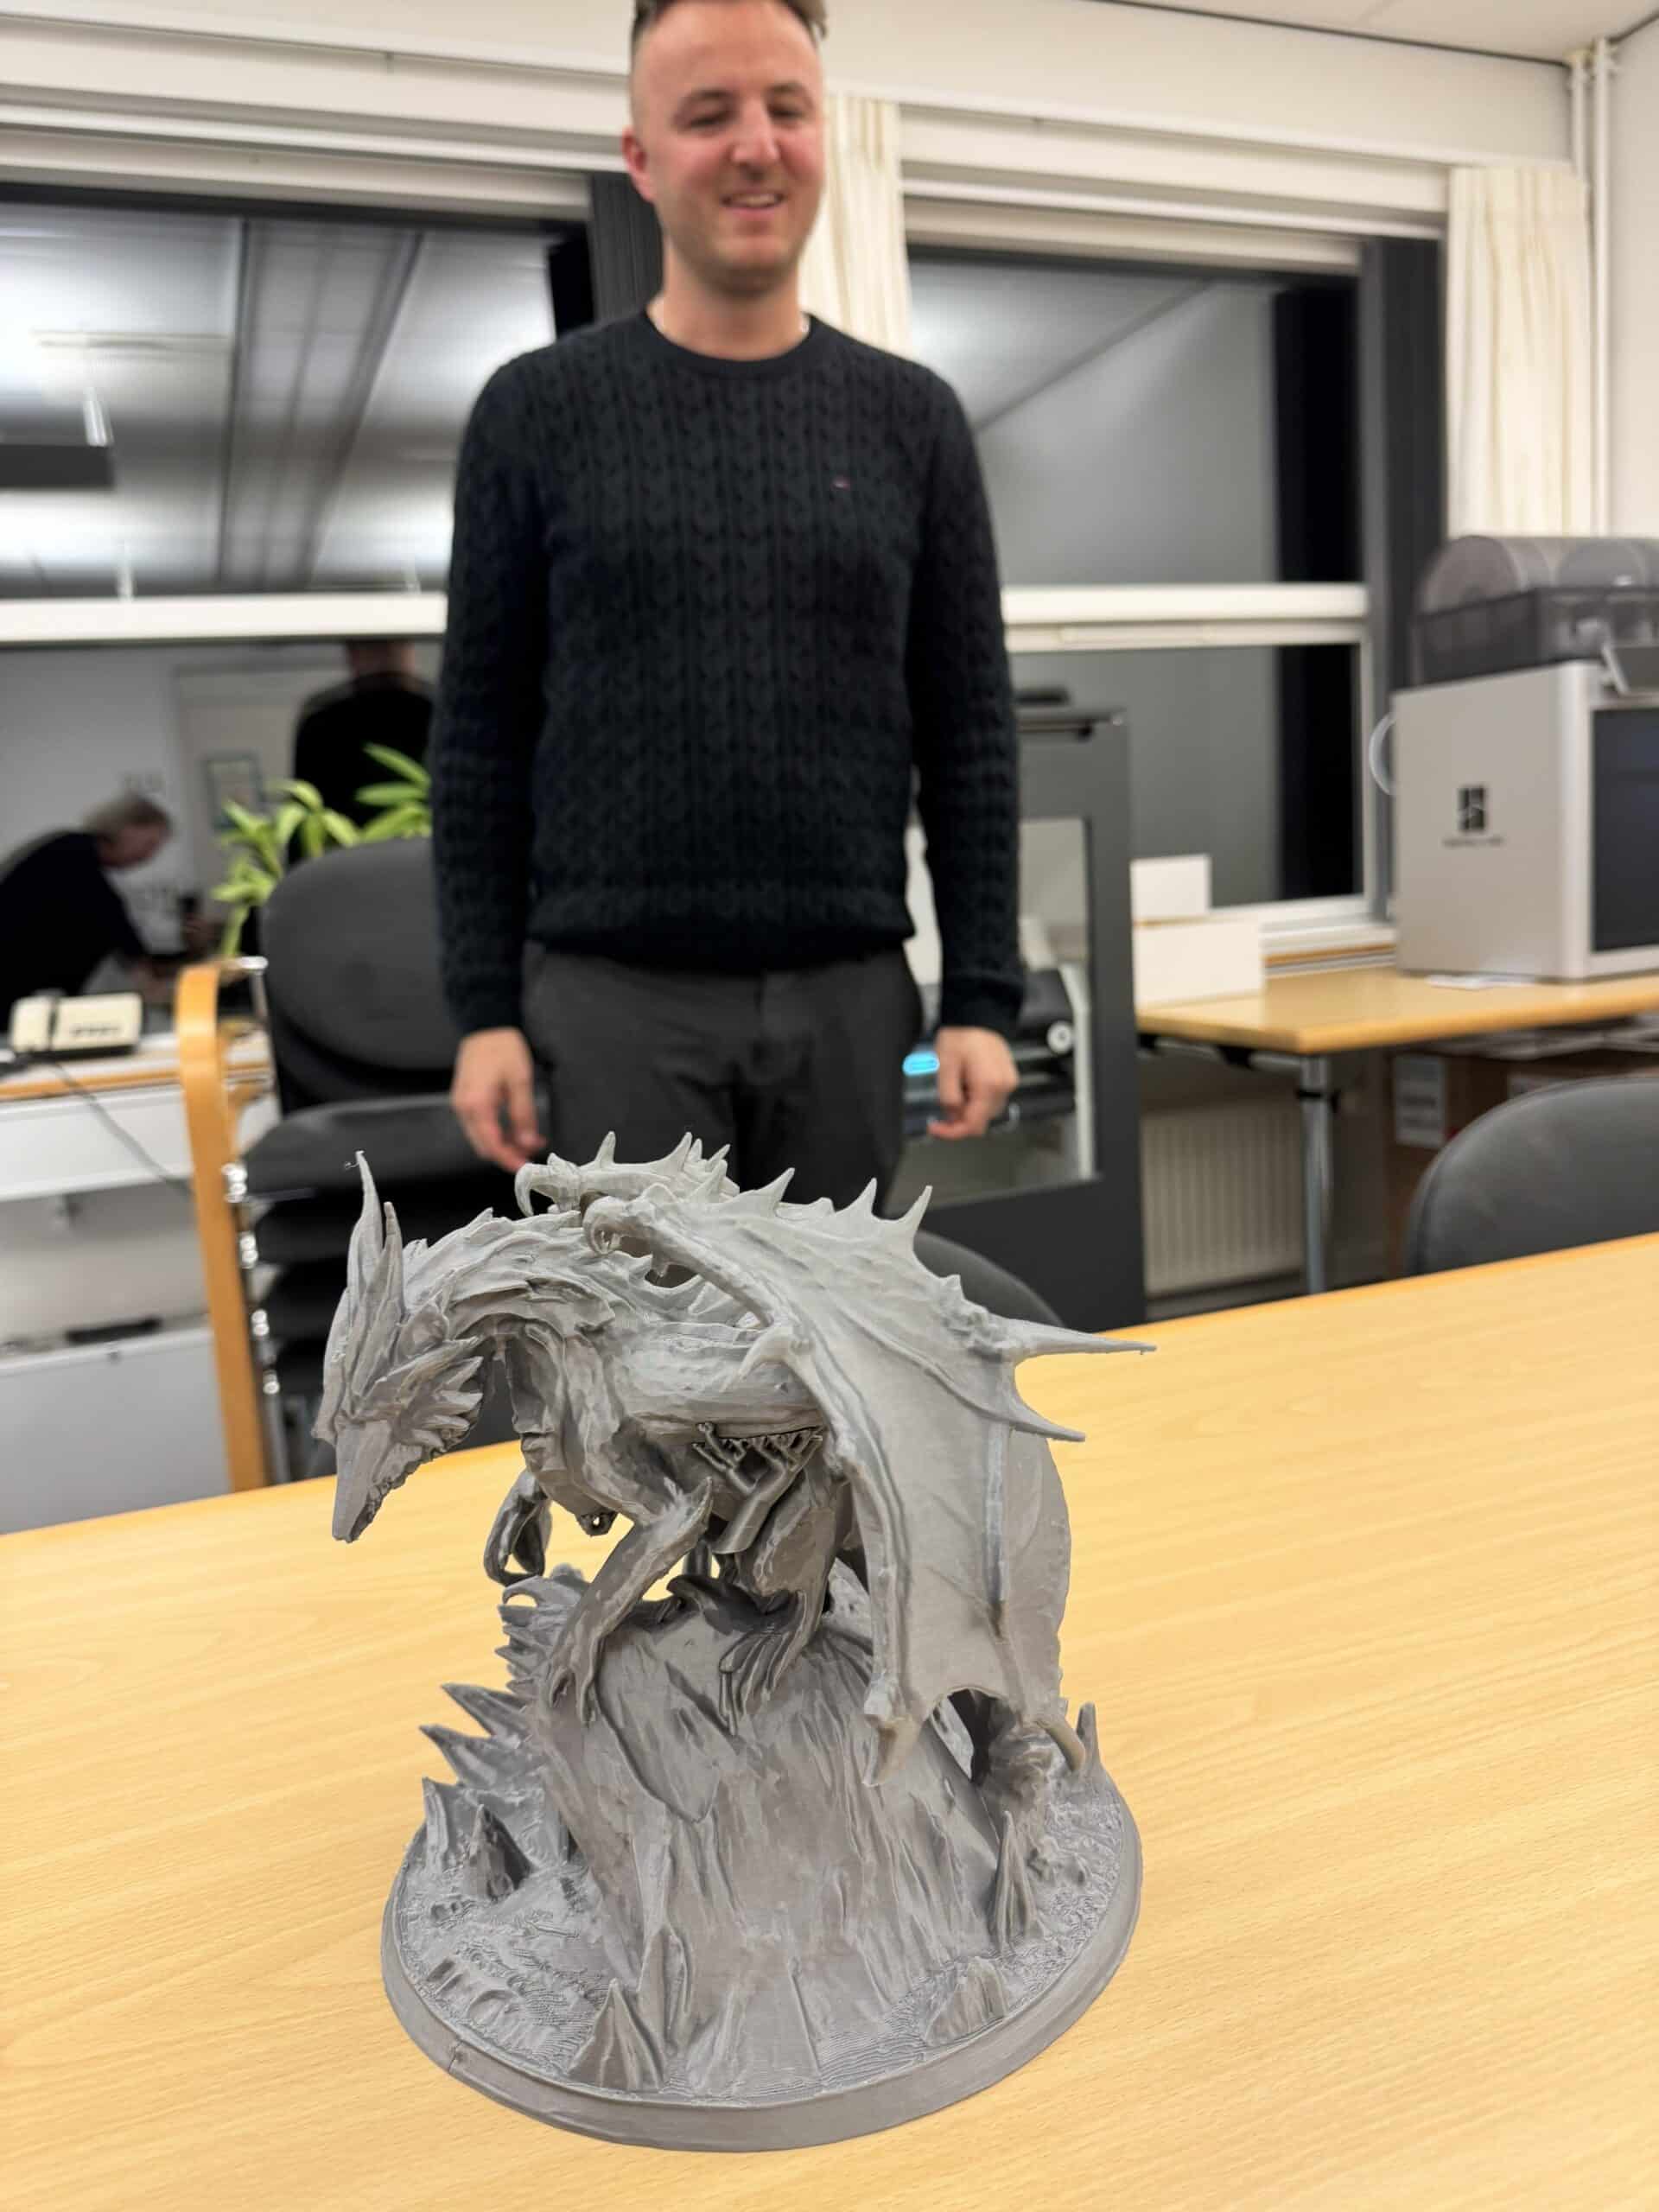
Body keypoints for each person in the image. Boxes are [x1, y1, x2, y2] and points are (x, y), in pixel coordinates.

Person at [434, 0, 1021, 1205]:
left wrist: (980, 997)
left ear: (825, 139)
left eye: (786, 110)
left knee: (829, 1371)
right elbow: (479, 740)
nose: (756, 146)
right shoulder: (535, 412)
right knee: (641, 1380)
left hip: (852, 1003)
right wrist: (483, 1010)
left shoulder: (913, 422)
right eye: (709, 116)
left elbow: (970, 735)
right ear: (641, 159)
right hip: (615, 1008)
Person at [0, 794, 173, 1027]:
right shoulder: (74, 851)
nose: (149, 856)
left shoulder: (77, 852)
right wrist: (144, 973)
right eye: (150, 844)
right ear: (127, 829)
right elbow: (110, 915)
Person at [292, 639, 433, 827]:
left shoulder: (323, 719)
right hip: (427, 851)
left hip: (344, 851)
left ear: (351, 652)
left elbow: (302, 824)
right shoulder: (445, 711)